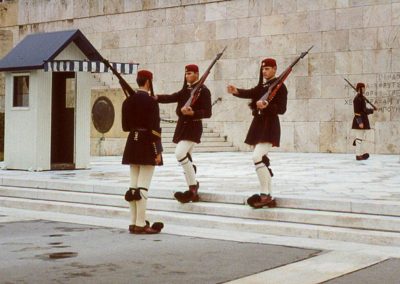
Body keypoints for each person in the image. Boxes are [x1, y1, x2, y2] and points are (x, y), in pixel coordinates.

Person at [227, 58, 287, 209]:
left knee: (256, 157)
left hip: (270, 125)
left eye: (267, 69)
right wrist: (237, 91)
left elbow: (281, 109)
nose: (264, 71)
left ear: (274, 69)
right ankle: (268, 194)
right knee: (261, 159)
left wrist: (267, 105)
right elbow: (251, 92)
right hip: (259, 124)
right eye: (263, 69)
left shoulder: (281, 87)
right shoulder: (263, 86)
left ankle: (265, 195)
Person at [155, 64, 212, 203]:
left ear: (197, 74)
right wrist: (156, 97)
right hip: (182, 127)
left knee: (180, 154)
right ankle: (192, 191)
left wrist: (193, 113)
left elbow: (208, 113)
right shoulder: (185, 90)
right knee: (187, 158)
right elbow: (170, 97)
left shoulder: (204, 91)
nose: (188, 76)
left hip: (193, 127)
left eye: (191, 73)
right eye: (186, 74)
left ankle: (193, 187)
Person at [122, 69, 164, 234]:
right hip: (146, 143)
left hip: (132, 142)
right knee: (143, 187)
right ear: (148, 82)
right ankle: (140, 224)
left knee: (133, 187)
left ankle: (133, 222)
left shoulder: (128, 101)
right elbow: (155, 130)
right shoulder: (152, 102)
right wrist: (158, 151)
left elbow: (125, 127)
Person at [352, 82, 374, 161]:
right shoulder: (357, 99)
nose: (364, 89)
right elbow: (356, 112)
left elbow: (364, 110)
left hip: (363, 120)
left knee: (360, 138)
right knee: (359, 139)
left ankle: (359, 151)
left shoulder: (361, 98)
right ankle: (358, 155)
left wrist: (372, 110)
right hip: (360, 121)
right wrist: (360, 122)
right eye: (363, 88)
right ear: (360, 89)